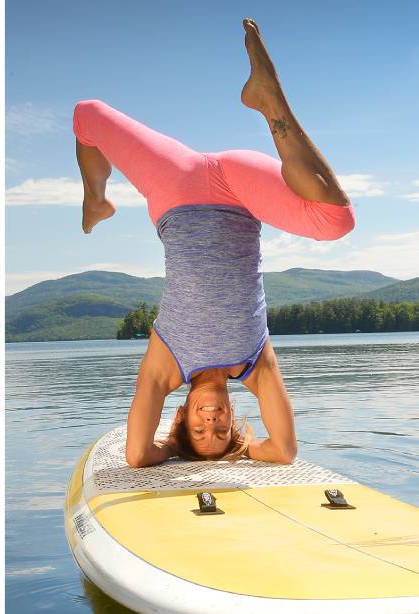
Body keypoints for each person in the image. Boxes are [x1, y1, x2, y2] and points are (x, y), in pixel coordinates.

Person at [73, 19, 355, 467]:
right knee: (336, 219)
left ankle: (96, 200)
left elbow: (137, 455)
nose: (213, 421)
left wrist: (171, 449)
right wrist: (240, 451)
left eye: (199, 429)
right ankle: (269, 99)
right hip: (241, 192)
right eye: (222, 430)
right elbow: (282, 451)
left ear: (180, 416)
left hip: (176, 185)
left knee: (85, 115)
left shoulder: (166, 365)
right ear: (233, 419)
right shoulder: (254, 365)